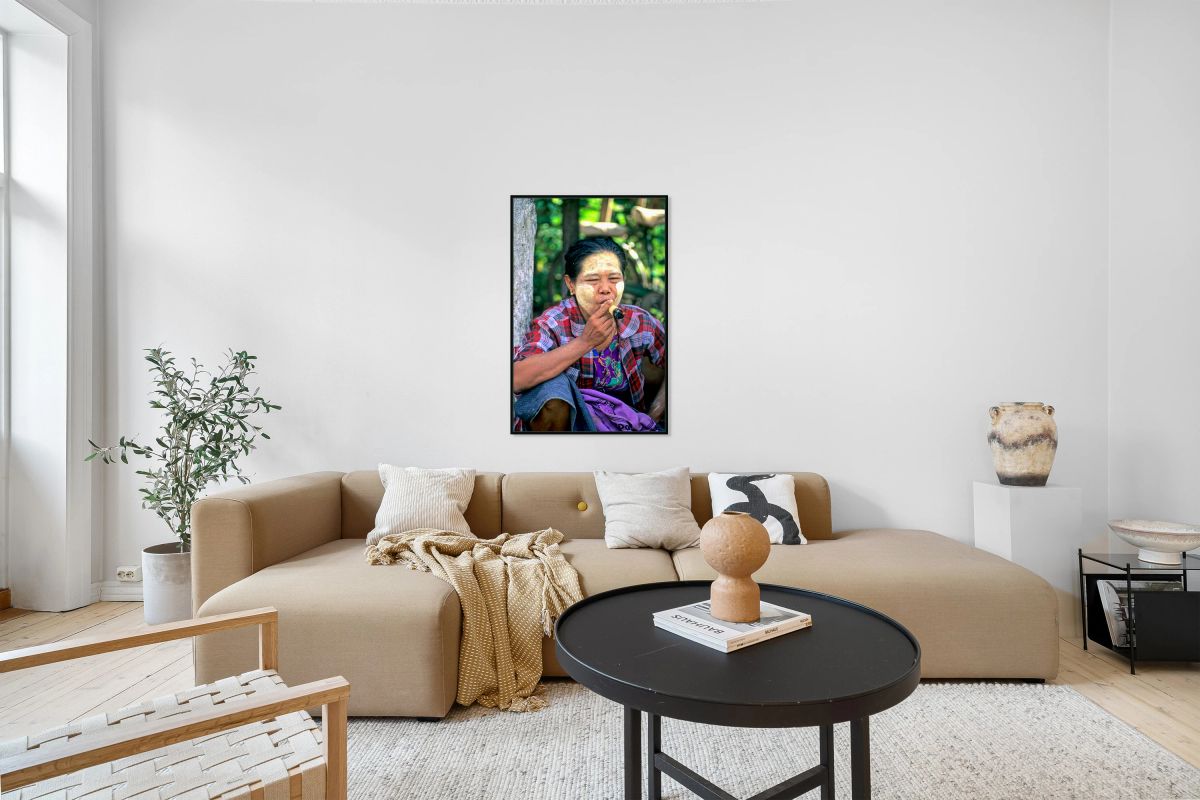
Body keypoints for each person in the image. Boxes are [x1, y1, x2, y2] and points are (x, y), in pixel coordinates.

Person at [513, 237, 666, 432]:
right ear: (571, 284)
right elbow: (516, 378)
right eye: (592, 280)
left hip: (625, 427)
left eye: (614, 279)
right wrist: (585, 342)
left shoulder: (638, 321)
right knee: (551, 390)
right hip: (570, 428)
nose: (605, 289)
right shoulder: (554, 323)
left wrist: (656, 411)